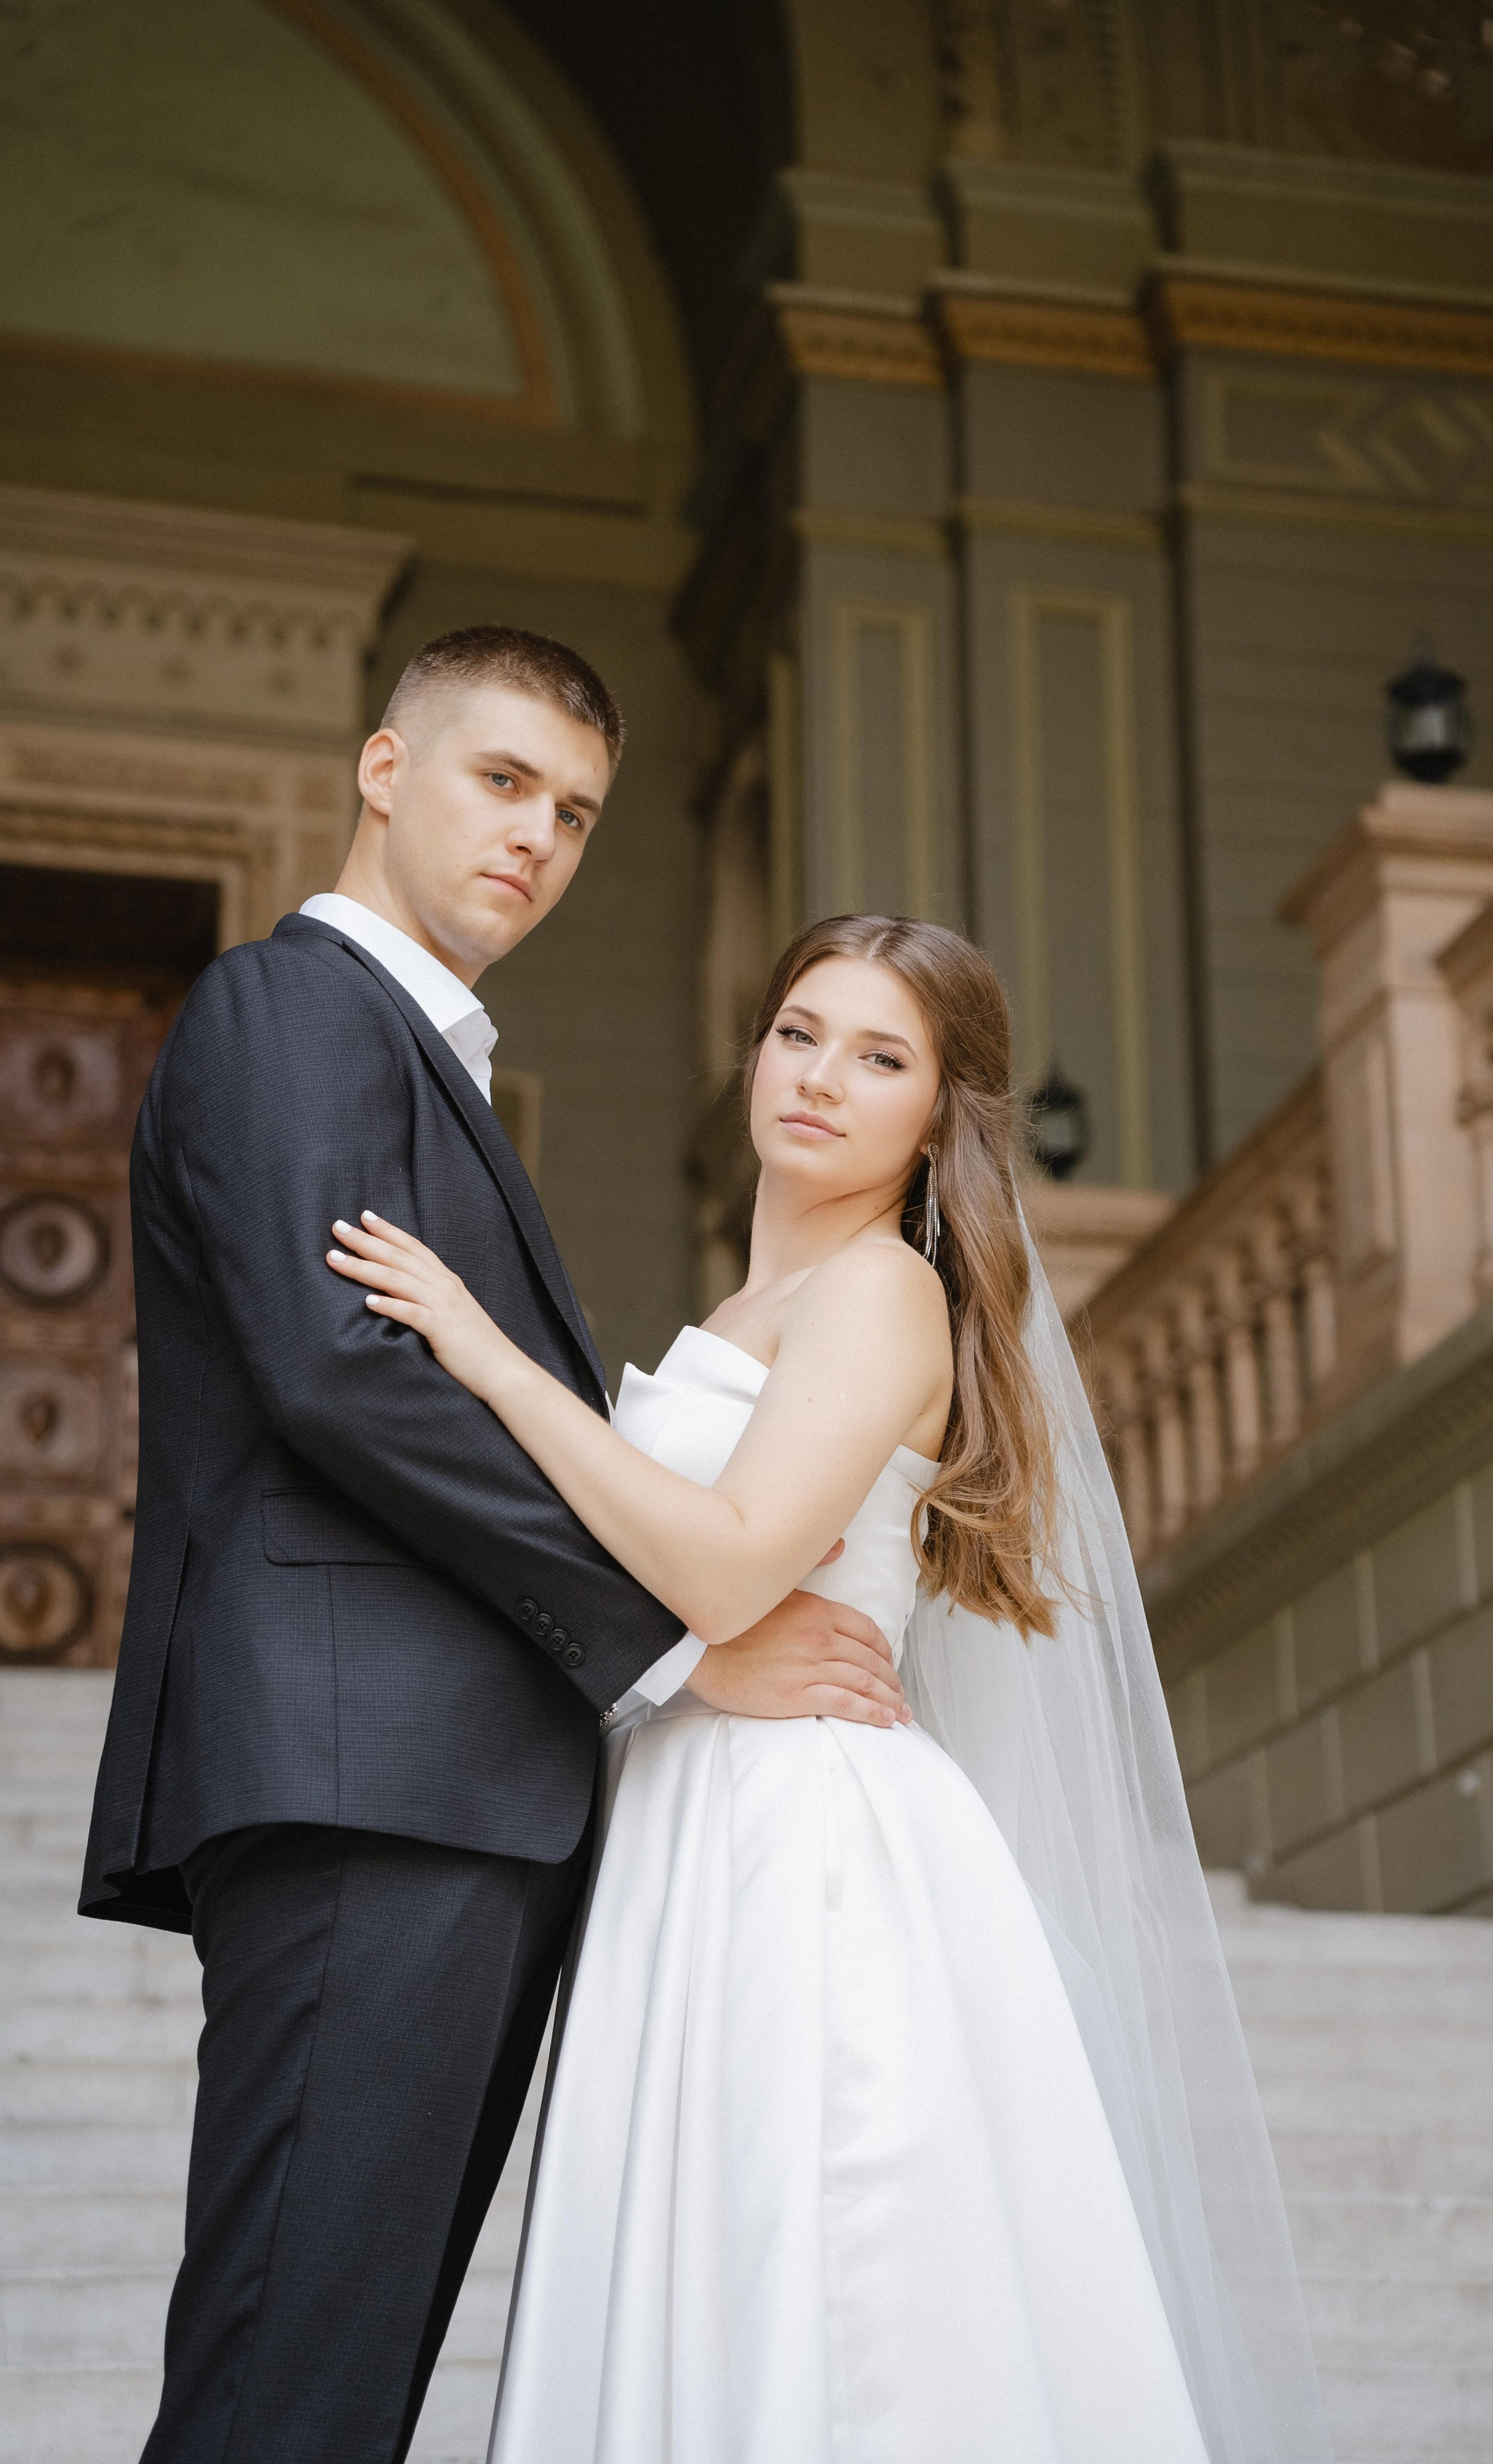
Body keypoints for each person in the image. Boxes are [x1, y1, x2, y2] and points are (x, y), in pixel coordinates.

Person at [321, 912, 1335, 2464]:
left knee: (825, 2285)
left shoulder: (878, 1292)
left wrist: (484, 1350)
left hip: (802, 1838)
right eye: (797, 1032)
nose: (817, 1077)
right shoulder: (741, 1316)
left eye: (879, 1057)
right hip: (691, 1806)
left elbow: (728, 1571)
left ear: (939, 1116)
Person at [79, 628, 908, 2464]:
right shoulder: (290, 1009)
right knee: (288, 2382)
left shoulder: (430, 1061)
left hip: (460, 1793)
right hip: (374, 1779)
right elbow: (338, 1372)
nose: (539, 836)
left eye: (580, 813)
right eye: (502, 781)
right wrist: (684, 1646)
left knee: (339, 2383)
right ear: (386, 768)